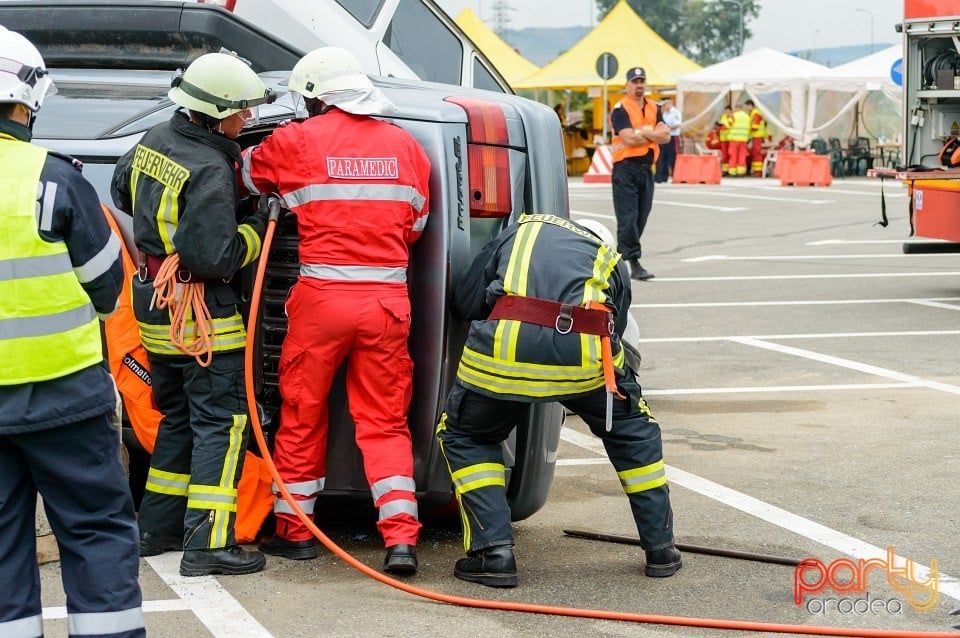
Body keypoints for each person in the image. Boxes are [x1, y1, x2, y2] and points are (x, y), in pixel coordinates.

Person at [240, 47, 430, 575]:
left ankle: (296, 531)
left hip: (321, 302)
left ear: (314, 97)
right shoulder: (408, 147)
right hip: (387, 305)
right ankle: (400, 541)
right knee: (385, 423)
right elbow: (415, 228)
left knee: (303, 414)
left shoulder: (298, 139)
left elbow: (248, 177)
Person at [436, 213, 680, 588]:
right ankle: (661, 549)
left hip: (503, 358)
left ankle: (493, 554)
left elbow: (465, 302)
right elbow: (620, 324)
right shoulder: (610, 260)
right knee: (633, 433)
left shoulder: (520, 231)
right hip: (585, 362)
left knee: (467, 435)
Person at [0, 27, 146, 636]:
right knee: (95, 530)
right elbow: (110, 286)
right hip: (67, 399)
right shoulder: (55, 180)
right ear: (26, 99)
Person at [111, 50, 276, 577]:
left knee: (177, 418)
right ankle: (207, 544)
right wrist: (255, 228)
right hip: (200, 313)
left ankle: (156, 529)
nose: (247, 120)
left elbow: (120, 189)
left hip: (154, 309)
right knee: (220, 425)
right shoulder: (212, 167)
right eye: (241, 111)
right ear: (216, 112)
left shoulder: (154, 138)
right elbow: (214, 258)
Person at [609, 66, 670, 281]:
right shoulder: (620, 109)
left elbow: (666, 136)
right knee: (628, 217)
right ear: (627, 85)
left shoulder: (654, 107)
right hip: (625, 169)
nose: (639, 85)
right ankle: (633, 262)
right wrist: (652, 134)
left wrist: (643, 132)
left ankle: (619, 256)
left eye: (642, 81)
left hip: (646, 170)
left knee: (641, 216)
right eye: (635, 81)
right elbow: (628, 138)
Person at [655, 98, 681, 183]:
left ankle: (675, 175)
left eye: (665, 104)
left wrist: (667, 128)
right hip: (664, 137)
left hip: (673, 136)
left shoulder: (675, 113)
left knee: (672, 157)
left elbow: (677, 125)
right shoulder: (665, 113)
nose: (664, 106)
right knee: (663, 157)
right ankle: (663, 176)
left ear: (670, 104)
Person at [745, 99, 768, 177]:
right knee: (755, 153)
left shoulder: (755, 113)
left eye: (747, 106)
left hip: (757, 135)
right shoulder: (754, 113)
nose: (747, 108)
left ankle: (758, 172)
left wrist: (748, 128)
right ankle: (756, 171)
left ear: (751, 105)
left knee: (756, 153)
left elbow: (755, 126)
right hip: (756, 135)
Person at [727, 102, 751, 177]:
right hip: (743, 139)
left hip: (734, 139)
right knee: (742, 155)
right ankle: (741, 172)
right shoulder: (747, 117)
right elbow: (749, 128)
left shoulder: (733, 115)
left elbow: (728, 125)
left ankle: (732, 172)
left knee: (733, 155)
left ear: (737, 108)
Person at [718, 105, 734, 175]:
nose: (727, 112)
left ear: (731, 111)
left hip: (730, 138)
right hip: (723, 139)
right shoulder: (723, 117)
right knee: (724, 155)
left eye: (728, 111)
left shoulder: (733, 117)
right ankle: (725, 170)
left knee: (731, 154)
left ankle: (730, 169)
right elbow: (720, 126)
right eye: (726, 111)